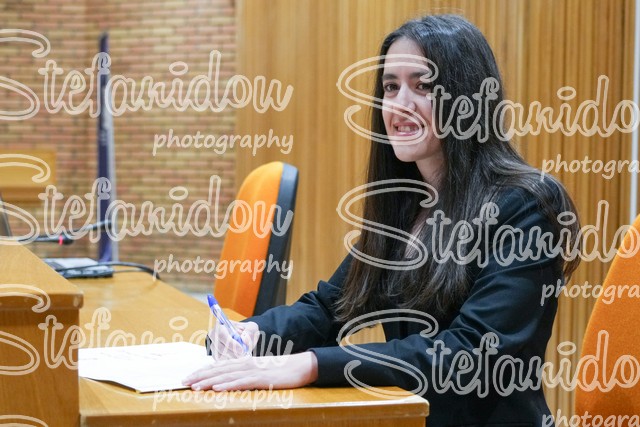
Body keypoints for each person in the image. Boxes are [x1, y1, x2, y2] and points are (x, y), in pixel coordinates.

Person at [183, 14, 580, 426]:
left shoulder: (526, 206)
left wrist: (312, 364)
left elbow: (470, 352)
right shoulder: (404, 204)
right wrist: (254, 333)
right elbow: (330, 307)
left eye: (422, 86)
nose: (399, 105)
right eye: (391, 87)